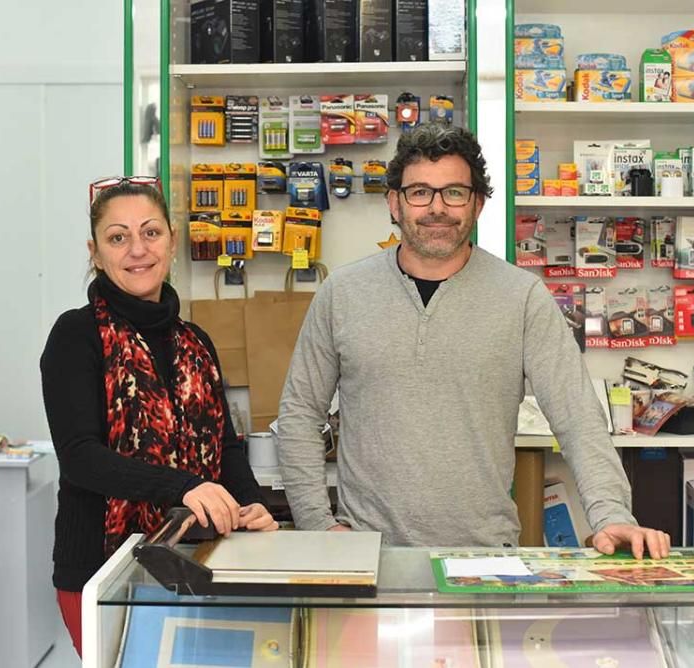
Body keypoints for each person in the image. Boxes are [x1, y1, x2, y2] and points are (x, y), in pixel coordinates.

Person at [277, 124, 669, 560]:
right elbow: (299, 414)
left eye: (455, 193)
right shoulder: (343, 293)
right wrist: (318, 524)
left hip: (484, 559)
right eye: (420, 192)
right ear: (394, 202)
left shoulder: (522, 297)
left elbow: (578, 418)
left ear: (478, 203)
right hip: (367, 555)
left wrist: (611, 514)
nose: (437, 208)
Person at [40, 177, 276, 656]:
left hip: (199, 560)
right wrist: (184, 487)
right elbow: (81, 458)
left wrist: (250, 503)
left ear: (171, 239)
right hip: (101, 570)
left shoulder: (197, 341)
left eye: (150, 232)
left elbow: (225, 445)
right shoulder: (75, 335)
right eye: (117, 237)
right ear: (95, 251)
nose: (137, 250)